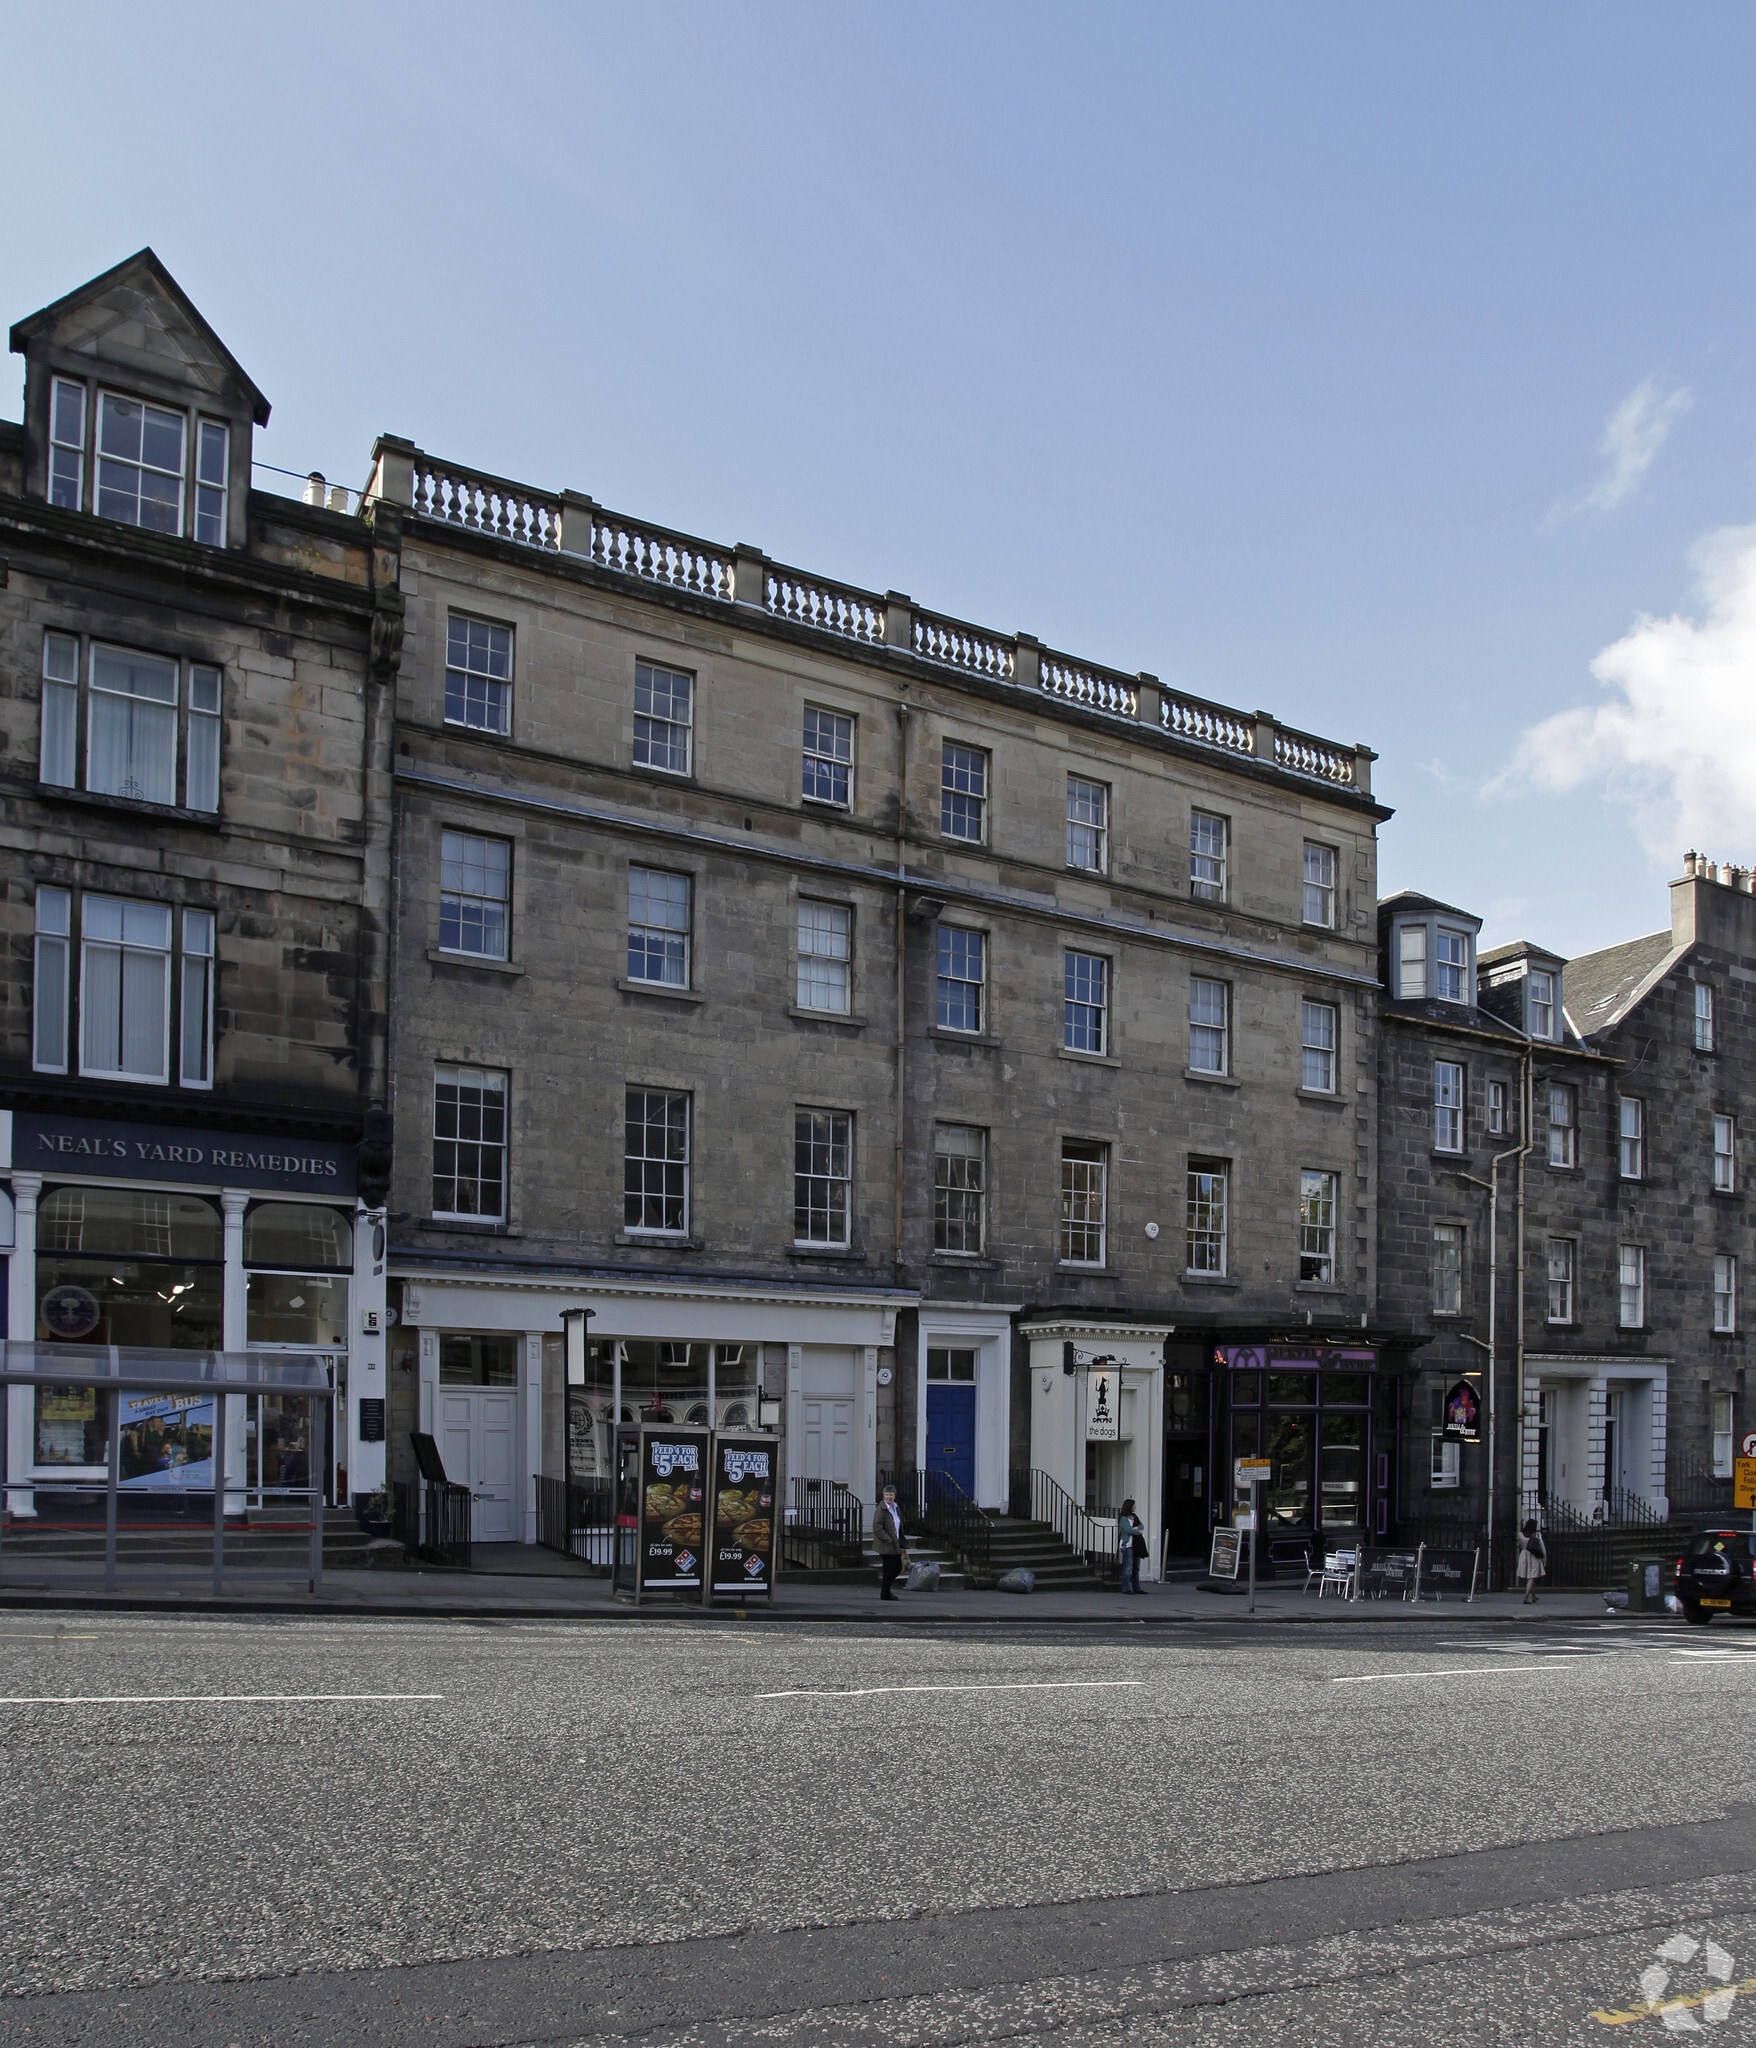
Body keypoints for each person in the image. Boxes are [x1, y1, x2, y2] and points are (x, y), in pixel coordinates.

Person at [873, 1483, 908, 1601]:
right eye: (887, 1495)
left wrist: (901, 1541)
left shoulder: (896, 1508)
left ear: (894, 1496)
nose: (889, 1497)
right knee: (889, 1569)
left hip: (896, 1544)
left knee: (897, 1567)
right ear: (883, 1496)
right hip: (886, 1545)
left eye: (891, 1495)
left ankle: (886, 1590)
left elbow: (899, 1526)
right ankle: (885, 1593)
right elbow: (877, 1527)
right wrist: (888, 1539)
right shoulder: (881, 1509)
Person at [1117, 1497, 1148, 1595]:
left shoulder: (1134, 1516)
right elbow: (1128, 1530)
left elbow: (1142, 1526)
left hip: (1136, 1544)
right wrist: (1136, 1530)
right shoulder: (1123, 1518)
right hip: (1128, 1544)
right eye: (1134, 1505)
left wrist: (1135, 1529)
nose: (1135, 1507)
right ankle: (1125, 1588)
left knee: (1136, 1567)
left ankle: (1137, 1588)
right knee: (1128, 1567)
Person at [1517, 1518, 1546, 1604]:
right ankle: (1526, 1597)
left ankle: (1533, 1597)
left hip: (1524, 1554)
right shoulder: (1537, 1535)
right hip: (1534, 1556)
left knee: (1530, 1577)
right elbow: (1542, 1547)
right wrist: (1544, 1559)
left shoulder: (1520, 1535)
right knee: (1532, 1577)